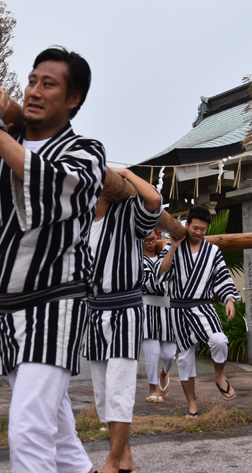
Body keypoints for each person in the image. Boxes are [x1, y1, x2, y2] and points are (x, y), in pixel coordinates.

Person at [0, 47, 103, 473]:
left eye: (48, 84)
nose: (34, 91)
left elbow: (43, 182)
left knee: (28, 429)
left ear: (73, 99)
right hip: (8, 311)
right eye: (31, 81)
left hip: (56, 305)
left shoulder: (86, 152)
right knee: (58, 437)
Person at [84, 168, 162, 473]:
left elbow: (153, 200)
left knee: (119, 385)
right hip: (93, 311)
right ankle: (125, 456)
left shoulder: (128, 211)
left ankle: (114, 461)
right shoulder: (80, 221)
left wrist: (127, 174)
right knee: (103, 392)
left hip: (124, 309)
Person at [157, 205, 240, 418]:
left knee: (219, 340)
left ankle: (218, 375)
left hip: (203, 306)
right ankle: (192, 405)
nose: (198, 232)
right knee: (185, 359)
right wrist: (173, 247)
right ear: (187, 225)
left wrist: (229, 299)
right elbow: (160, 272)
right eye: (195, 228)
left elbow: (223, 278)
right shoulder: (172, 246)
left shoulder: (213, 251)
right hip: (178, 310)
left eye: (203, 229)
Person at [140, 231, 177, 402]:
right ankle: (152, 389)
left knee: (169, 354)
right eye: (147, 240)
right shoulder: (138, 260)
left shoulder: (166, 255)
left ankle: (164, 372)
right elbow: (150, 284)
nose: (151, 242)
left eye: (153, 239)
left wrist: (170, 247)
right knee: (152, 353)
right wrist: (169, 250)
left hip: (167, 311)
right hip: (147, 310)